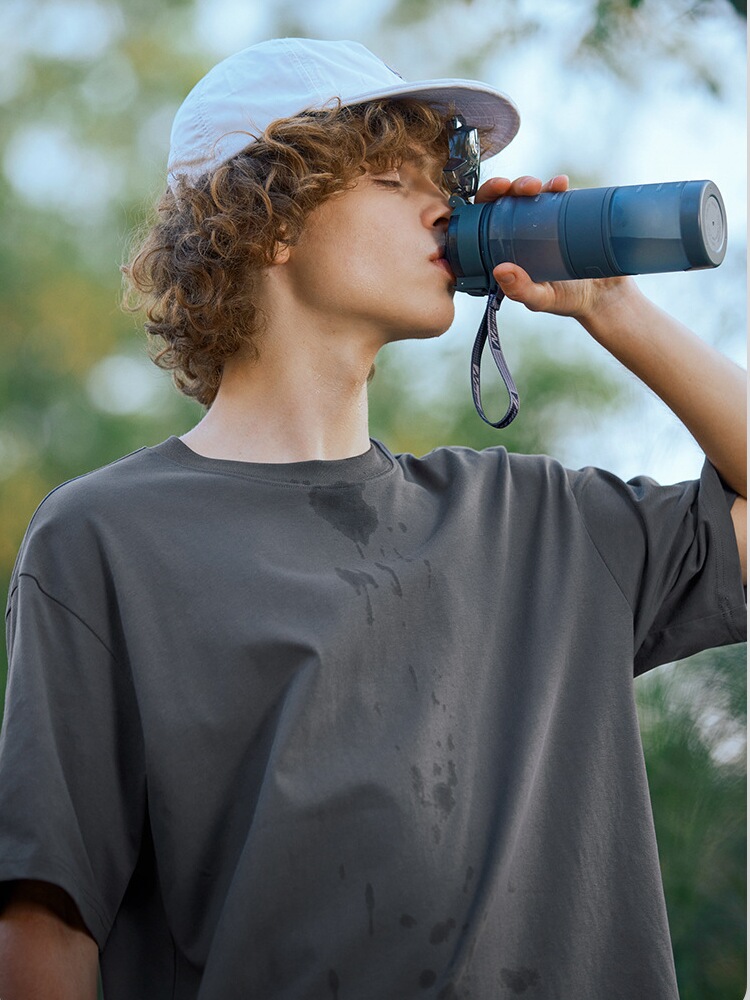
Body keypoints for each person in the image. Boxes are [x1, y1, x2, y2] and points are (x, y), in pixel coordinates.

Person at [0, 36, 745, 1000]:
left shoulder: (541, 523)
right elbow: (45, 929)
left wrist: (614, 309)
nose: (444, 204)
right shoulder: (104, 540)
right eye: (392, 180)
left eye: (443, 179)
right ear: (266, 218)